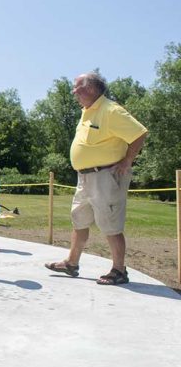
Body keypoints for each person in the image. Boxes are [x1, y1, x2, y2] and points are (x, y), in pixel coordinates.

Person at [45, 71, 148, 285]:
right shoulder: (87, 111)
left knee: (110, 224)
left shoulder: (111, 110)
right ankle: (72, 263)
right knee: (79, 219)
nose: (73, 91)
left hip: (106, 176)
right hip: (85, 177)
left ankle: (119, 271)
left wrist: (127, 161)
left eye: (77, 87)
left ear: (91, 89)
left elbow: (139, 133)